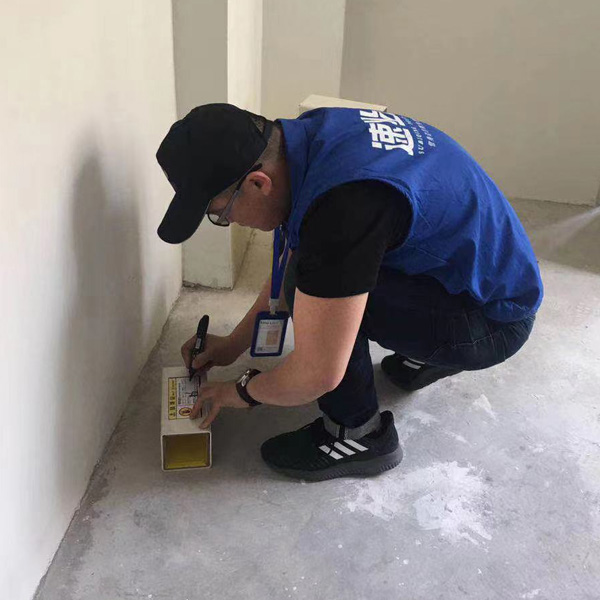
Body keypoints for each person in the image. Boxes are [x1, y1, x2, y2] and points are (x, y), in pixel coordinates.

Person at [156, 103, 543, 482]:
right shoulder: (308, 138)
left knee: (317, 289)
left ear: (258, 184)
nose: (231, 221)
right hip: (483, 279)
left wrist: (239, 391)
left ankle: (356, 435)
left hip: (493, 321)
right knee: (316, 272)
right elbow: (294, 260)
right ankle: (425, 353)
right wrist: (233, 344)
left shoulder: (344, 209)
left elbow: (317, 374)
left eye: (222, 214)